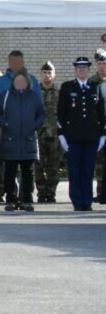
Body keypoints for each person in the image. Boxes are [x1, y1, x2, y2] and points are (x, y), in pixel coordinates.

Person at [57, 56, 105, 211]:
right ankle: (77, 201)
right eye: (79, 68)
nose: (82, 70)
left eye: (84, 68)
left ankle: (87, 200)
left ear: (89, 70)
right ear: (75, 70)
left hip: (91, 136)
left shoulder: (95, 87)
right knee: (74, 169)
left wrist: (103, 134)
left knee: (88, 169)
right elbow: (61, 113)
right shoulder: (67, 87)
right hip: (73, 136)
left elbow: (101, 113)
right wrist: (61, 135)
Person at [0, 71, 44, 212]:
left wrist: (34, 125)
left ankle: (27, 199)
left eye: (22, 81)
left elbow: (41, 114)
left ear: (28, 83)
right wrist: (5, 124)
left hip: (28, 139)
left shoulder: (34, 97)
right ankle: (10, 199)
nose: (19, 83)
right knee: (10, 171)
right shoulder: (6, 96)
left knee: (28, 171)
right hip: (10, 139)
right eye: (17, 81)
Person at [36, 61, 61, 204]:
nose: (47, 75)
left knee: (53, 165)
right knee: (38, 165)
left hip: (54, 133)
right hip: (38, 133)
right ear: (41, 75)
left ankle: (51, 193)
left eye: (50, 72)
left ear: (54, 74)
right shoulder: (35, 92)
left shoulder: (59, 92)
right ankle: (41, 192)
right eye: (45, 73)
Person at [89, 50, 106, 204]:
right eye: (99, 64)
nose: (102, 67)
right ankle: (100, 192)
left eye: (104, 63)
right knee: (99, 163)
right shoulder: (91, 83)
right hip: (97, 128)